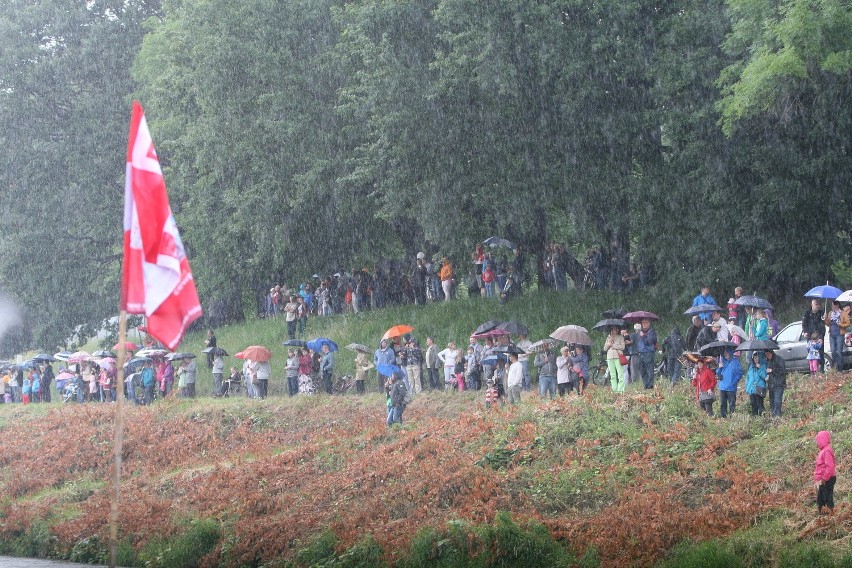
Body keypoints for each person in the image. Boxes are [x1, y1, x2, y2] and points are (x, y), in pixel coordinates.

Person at [813, 430, 836, 515]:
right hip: (822, 479)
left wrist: (824, 479)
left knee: (826, 498)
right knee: (821, 499)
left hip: (826, 479)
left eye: (818, 440)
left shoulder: (826, 451)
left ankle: (830, 516)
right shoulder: (823, 450)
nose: (817, 442)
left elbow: (830, 466)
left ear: (822, 439)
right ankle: (823, 517)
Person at [716, 348, 743, 418]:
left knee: (732, 404)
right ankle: (723, 417)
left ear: (730, 353)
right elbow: (718, 374)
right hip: (722, 387)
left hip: (731, 388)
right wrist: (719, 368)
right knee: (722, 404)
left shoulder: (735, 362)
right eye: (724, 354)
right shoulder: (722, 362)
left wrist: (733, 382)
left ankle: (732, 417)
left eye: (727, 353)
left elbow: (740, 373)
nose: (725, 355)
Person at [824, 300, 849, 372]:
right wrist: (825, 319)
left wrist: (841, 324)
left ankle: (840, 369)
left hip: (839, 334)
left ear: (837, 305)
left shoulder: (843, 313)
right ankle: (835, 368)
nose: (832, 307)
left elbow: (848, 323)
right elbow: (828, 324)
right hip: (831, 334)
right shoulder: (830, 313)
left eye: (833, 305)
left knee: (839, 352)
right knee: (833, 351)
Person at [802, 299, 826, 371]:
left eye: (818, 305)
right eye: (816, 304)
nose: (818, 306)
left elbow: (823, 327)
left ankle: (821, 370)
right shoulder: (807, 313)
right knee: (812, 355)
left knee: (820, 354)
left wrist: (821, 337)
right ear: (812, 305)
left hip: (818, 337)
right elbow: (804, 324)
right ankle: (813, 371)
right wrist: (805, 332)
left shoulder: (821, 313)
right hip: (810, 337)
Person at [604, 326, 627, 393]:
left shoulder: (620, 337)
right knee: (612, 375)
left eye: (616, 329)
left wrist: (613, 345)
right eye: (613, 329)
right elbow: (605, 349)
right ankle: (614, 390)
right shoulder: (608, 337)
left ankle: (620, 390)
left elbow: (623, 347)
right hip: (610, 357)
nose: (614, 330)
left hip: (618, 357)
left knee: (620, 374)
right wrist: (608, 344)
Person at [636, 318, 658, 389]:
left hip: (648, 353)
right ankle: (645, 385)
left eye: (646, 322)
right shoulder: (641, 332)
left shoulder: (652, 332)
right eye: (643, 323)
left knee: (649, 370)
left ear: (649, 323)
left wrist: (643, 336)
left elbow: (649, 342)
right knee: (642, 370)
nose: (644, 324)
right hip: (641, 353)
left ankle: (650, 385)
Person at [765, 349, 786, 418]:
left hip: (779, 383)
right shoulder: (767, 361)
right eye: (766, 354)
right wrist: (767, 375)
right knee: (772, 401)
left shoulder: (779, 359)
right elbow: (767, 372)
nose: (767, 355)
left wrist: (771, 370)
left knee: (777, 400)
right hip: (771, 384)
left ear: (771, 353)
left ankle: (777, 415)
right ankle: (773, 415)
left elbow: (782, 371)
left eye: (768, 354)